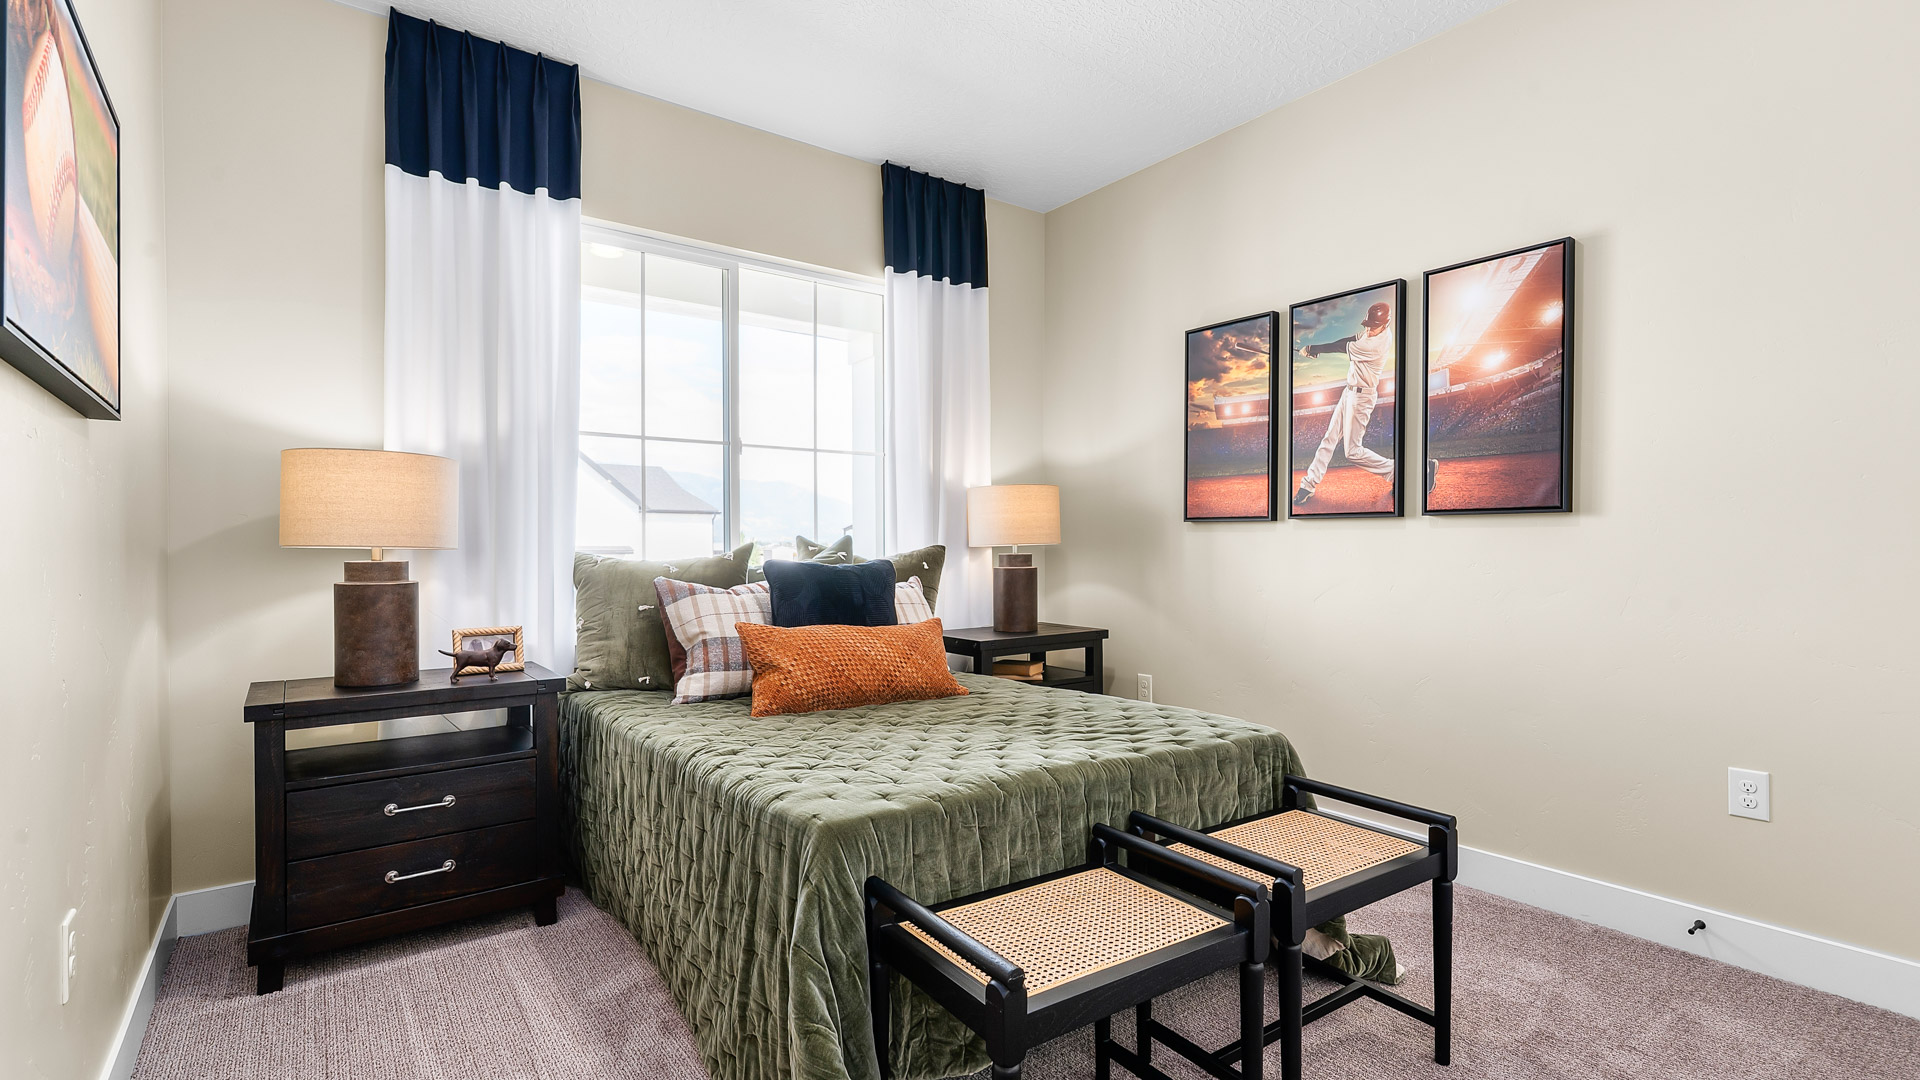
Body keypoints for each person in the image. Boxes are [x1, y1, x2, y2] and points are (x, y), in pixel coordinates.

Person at [1292, 301, 1395, 506]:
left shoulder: (1375, 345)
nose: (1368, 330)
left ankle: (1400, 471)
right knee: (1329, 438)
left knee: (1353, 451)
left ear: (1385, 324)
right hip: (1348, 393)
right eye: (1367, 325)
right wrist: (1316, 349)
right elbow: (1350, 339)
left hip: (1362, 398)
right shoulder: (1372, 333)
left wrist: (1313, 348)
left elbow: (1342, 347)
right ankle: (1308, 484)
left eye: (1373, 327)